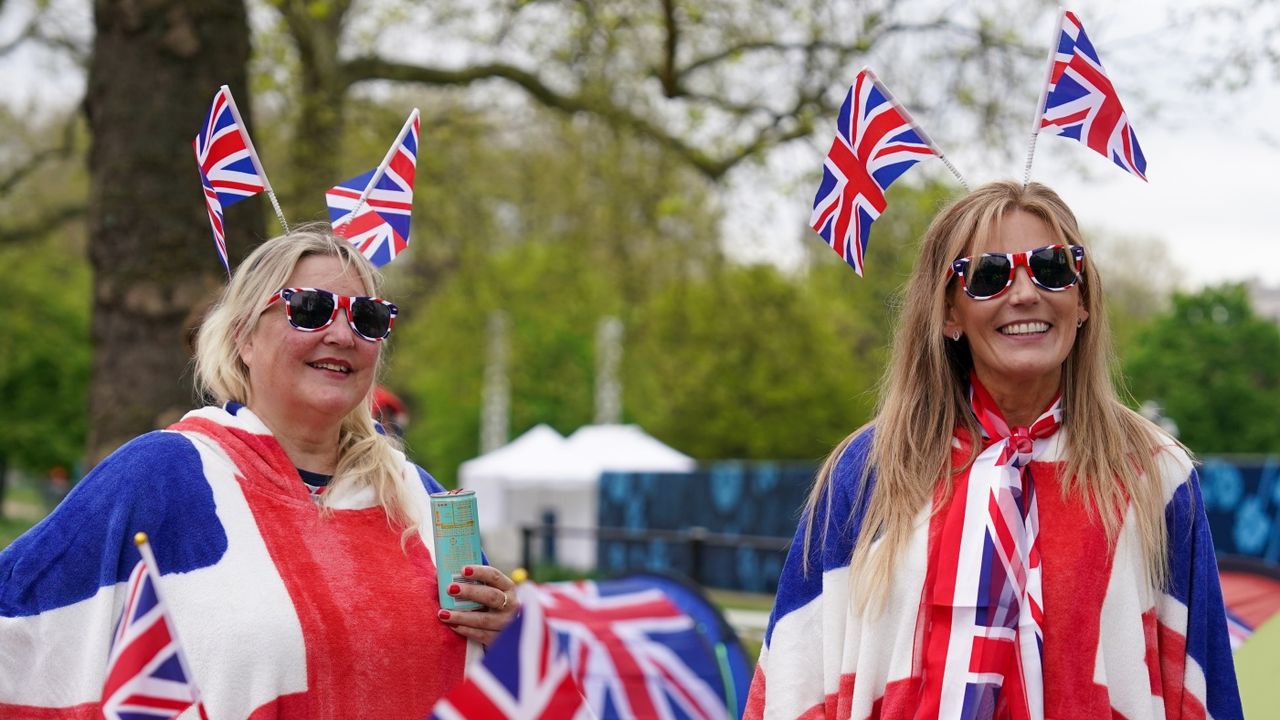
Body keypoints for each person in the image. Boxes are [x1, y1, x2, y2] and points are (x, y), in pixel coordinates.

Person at [746, 182, 1242, 719]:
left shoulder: (1154, 475)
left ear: (1082, 301)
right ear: (947, 313)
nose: (1025, 293)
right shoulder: (868, 472)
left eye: (1052, 267)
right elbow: (798, 683)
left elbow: (1200, 684)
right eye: (988, 276)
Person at [0, 227, 517, 718]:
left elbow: (504, 681)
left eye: (367, 317)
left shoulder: (416, 497)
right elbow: (17, 614)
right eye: (310, 309)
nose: (341, 333)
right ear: (245, 337)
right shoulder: (166, 475)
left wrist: (508, 633)